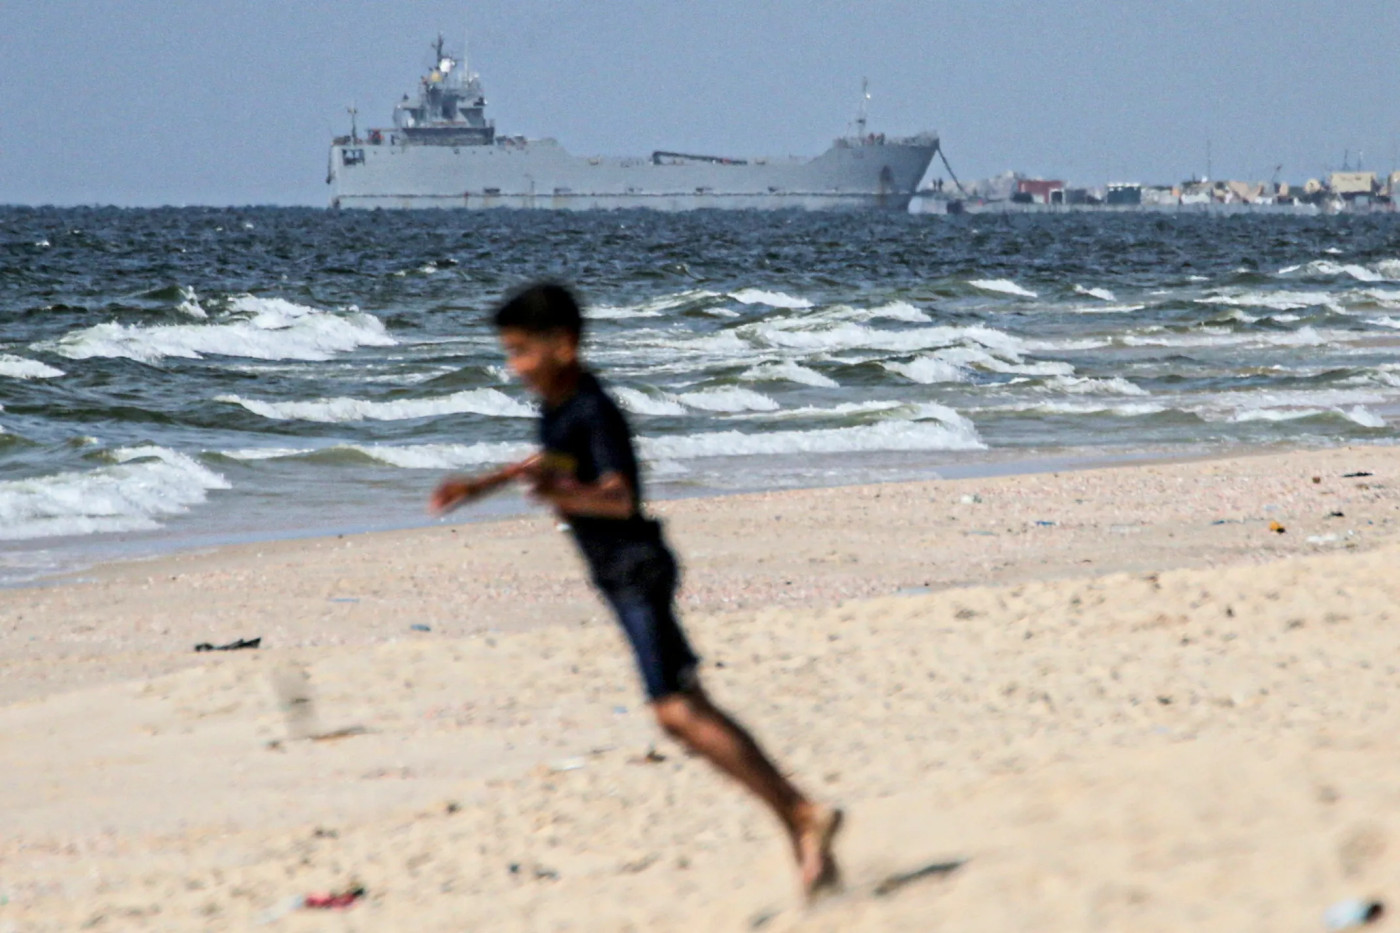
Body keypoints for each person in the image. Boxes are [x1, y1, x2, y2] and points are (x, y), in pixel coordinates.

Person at [429, 282, 842, 898]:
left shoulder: (594, 410)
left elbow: (620, 497)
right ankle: (809, 840)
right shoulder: (557, 410)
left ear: (563, 346)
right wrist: (479, 487)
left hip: (637, 570)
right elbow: (549, 465)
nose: (514, 367)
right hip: (620, 575)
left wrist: (564, 497)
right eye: (508, 352)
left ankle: (803, 812)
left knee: (675, 712)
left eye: (521, 352)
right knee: (691, 707)